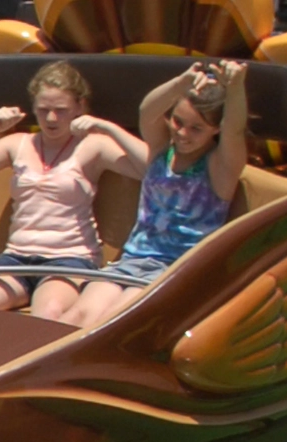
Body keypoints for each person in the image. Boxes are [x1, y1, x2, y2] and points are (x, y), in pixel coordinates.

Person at [0, 60, 149, 324]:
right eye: (43, 110)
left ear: (79, 108)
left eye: (61, 110)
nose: (51, 119)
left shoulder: (92, 146)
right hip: (16, 259)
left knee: (48, 317)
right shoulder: (17, 144)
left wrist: (108, 128)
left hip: (69, 260)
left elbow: (151, 170)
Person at [68, 61, 249, 327]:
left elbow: (235, 129)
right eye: (177, 121)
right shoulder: (162, 150)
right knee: (77, 316)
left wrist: (235, 88)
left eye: (196, 128)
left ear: (215, 129)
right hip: (133, 260)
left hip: (177, 271)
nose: (182, 133)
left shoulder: (218, 166)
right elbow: (147, 110)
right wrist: (181, 83)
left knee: (108, 322)